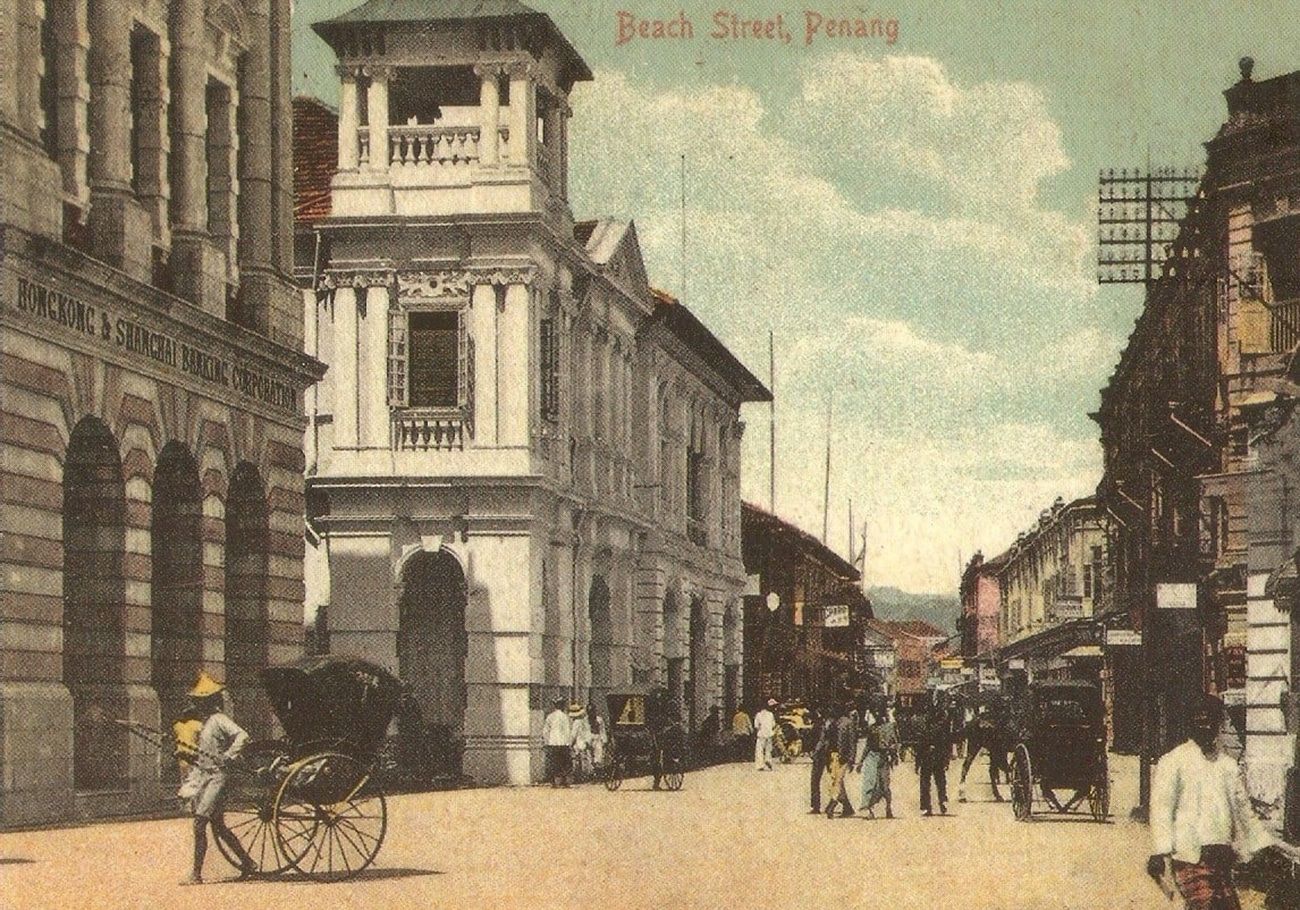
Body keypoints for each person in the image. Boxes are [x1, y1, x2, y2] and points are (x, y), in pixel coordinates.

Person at [1147, 693, 1298, 909]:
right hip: (1190, 857)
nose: (1204, 727)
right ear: (1189, 723)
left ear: (1219, 723)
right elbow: (1162, 808)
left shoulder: (1228, 767)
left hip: (1221, 861)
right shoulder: (1173, 762)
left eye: (1210, 721)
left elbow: (1245, 814)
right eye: (1198, 721)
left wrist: (1270, 846)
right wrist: (1159, 851)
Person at [179, 672, 255, 885]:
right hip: (205, 777)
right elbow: (205, 752)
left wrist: (229, 755)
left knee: (199, 823)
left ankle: (196, 875)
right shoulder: (205, 723)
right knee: (219, 826)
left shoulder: (219, 719)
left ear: (209, 702)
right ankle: (248, 863)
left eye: (200, 701)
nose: (197, 705)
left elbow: (243, 735)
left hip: (218, 778)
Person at [857, 702, 897, 819]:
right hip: (872, 757)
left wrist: (894, 756)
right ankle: (870, 811)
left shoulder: (890, 728)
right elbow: (868, 746)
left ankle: (888, 808)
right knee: (870, 783)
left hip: (884, 757)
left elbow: (894, 743)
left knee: (884, 785)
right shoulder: (872, 729)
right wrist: (861, 761)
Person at [916, 696, 952, 816]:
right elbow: (947, 745)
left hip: (927, 758)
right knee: (940, 781)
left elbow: (919, 747)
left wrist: (917, 763)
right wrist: (946, 759)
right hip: (938, 758)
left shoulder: (924, 729)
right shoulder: (941, 729)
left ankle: (927, 807)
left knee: (925, 783)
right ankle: (942, 802)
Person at [824, 703, 857, 818]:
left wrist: (852, 759)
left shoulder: (848, 723)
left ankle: (832, 804)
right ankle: (847, 807)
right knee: (836, 780)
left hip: (844, 757)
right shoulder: (832, 723)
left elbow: (852, 742)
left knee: (837, 781)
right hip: (833, 755)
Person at [542, 697, 574, 787]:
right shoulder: (565, 717)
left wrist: (546, 742)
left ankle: (554, 782)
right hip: (564, 743)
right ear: (562, 705)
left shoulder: (550, 717)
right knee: (565, 763)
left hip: (553, 743)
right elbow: (568, 731)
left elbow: (545, 731)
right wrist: (569, 743)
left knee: (554, 763)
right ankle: (565, 782)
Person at [807, 708, 830, 814]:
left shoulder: (817, 726)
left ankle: (816, 806)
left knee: (815, 780)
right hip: (828, 754)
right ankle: (844, 804)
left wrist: (814, 752)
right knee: (834, 780)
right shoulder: (828, 724)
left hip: (820, 755)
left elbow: (819, 741)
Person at [569, 703, 593, 781]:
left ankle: (580, 776)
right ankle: (587, 775)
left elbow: (573, 734)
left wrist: (570, 744)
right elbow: (588, 732)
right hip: (585, 742)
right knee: (585, 759)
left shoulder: (576, 722)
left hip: (579, 743)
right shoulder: (584, 721)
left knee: (578, 760)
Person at [753, 699, 777, 770]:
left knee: (759, 749)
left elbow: (756, 726)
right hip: (769, 733)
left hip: (761, 734)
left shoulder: (758, 715)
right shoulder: (770, 714)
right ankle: (768, 760)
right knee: (768, 749)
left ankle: (760, 765)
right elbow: (773, 724)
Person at [589, 704, 607, 769]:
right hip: (589, 738)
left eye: (592, 711)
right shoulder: (585, 720)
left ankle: (597, 769)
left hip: (597, 738)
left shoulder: (599, 720)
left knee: (598, 754)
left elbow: (602, 730)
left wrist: (604, 740)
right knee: (589, 755)